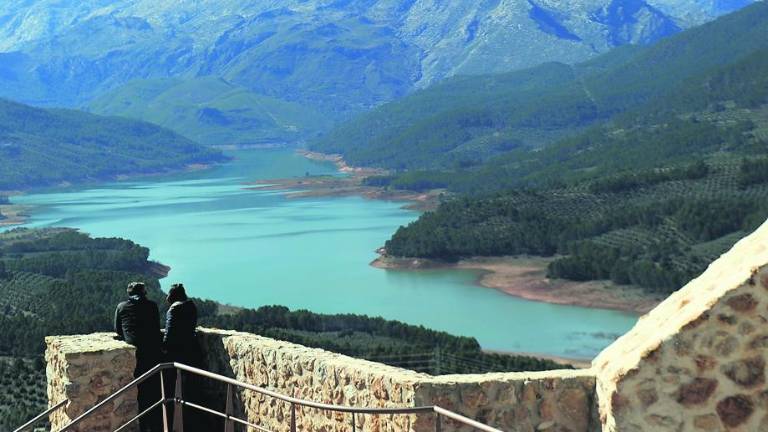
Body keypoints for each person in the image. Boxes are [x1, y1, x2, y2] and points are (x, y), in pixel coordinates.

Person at [114, 281, 162, 432]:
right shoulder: (152, 306)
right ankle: (156, 425)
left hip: (136, 355)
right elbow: (156, 327)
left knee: (140, 391)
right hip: (154, 353)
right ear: (144, 293)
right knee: (154, 391)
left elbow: (118, 330)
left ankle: (143, 424)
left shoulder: (122, 307)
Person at [163, 283, 204, 430]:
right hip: (192, 350)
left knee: (173, 388)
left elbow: (169, 333)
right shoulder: (191, 306)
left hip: (177, 353)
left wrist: (164, 349)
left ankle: (174, 422)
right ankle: (193, 421)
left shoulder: (173, 309)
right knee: (191, 389)